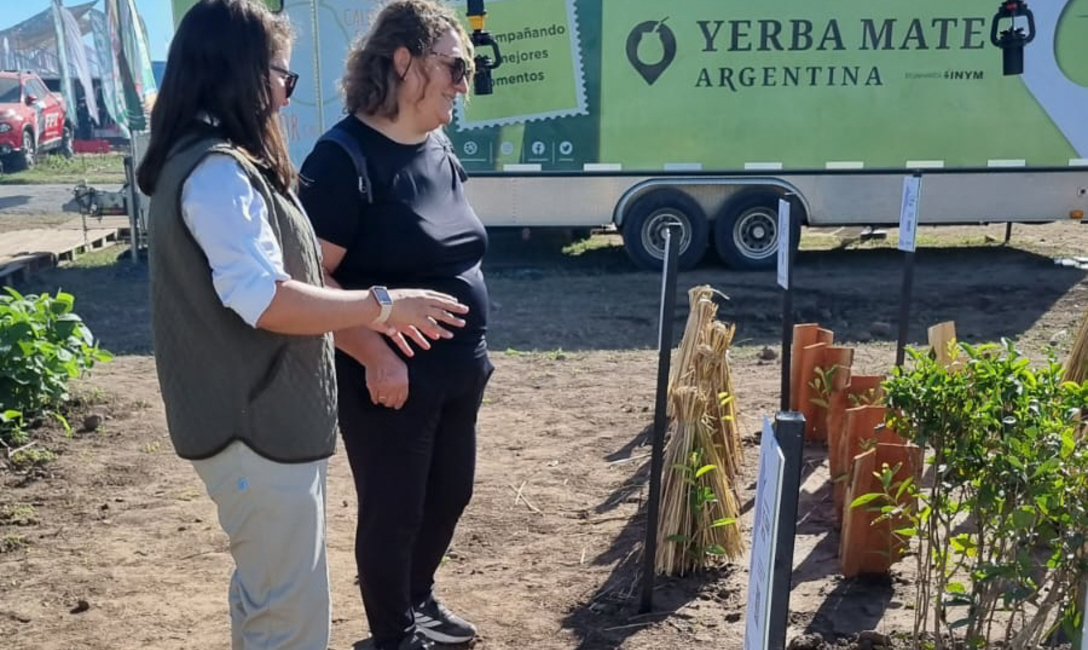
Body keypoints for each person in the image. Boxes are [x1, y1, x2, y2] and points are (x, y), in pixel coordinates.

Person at [136, 1, 468, 648]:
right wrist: (382, 306)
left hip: (259, 428)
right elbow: (265, 299)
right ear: (243, 73)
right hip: (254, 430)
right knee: (288, 620)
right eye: (283, 78)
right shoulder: (216, 172)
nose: (286, 97)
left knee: (270, 601)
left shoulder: (213, 163)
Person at [297, 2, 491, 649]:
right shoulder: (341, 158)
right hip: (390, 379)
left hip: (460, 372)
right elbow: (309, 281)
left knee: (449, 495)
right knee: (395, 513)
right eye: (454, 66)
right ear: (403, 61)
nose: (463, 83)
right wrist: (376, 352)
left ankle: (417, 597)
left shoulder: (438, 147)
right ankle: (393, 633)